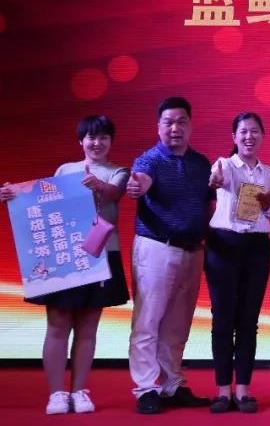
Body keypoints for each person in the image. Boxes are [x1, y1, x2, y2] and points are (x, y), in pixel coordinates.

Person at [0, 115, 130, 414]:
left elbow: (115, 193)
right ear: (81, 141)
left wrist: (99, 185)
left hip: (100, 255)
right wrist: (13, 195)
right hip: (65, 257)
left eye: (103, 137)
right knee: (58, 324)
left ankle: (80, 391)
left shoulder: (119, 172)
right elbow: (43, 202)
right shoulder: (64, 170)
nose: (97, 143)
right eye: (91, 137)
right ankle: (57, 394)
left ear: (111, 141)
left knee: (88, 326)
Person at [125, 96, 214, 414]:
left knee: (178, 324)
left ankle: (172, 383)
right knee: (148, 320)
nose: (175, 128)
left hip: (193, 250)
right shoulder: (149, 160)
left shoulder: (201, 163)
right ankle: (145, 388)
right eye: (168, 122)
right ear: (158, 127)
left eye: (181, 122)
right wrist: (136, 187)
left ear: (190, 125)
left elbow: (210, 204)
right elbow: (140, 182)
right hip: (156, 248)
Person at [204, 112, 270, 413]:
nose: (249, 136)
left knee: (249, 320)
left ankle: (243, 391)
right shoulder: (224, 165)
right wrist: (215, 180)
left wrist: (268, 204)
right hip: (224, 245)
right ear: (234, 137)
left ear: (262, 136)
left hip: (257, 247)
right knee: (223, 318)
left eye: (254, 131)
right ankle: (223, 390)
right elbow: (216, 181)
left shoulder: (269, 173)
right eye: (243, 132)